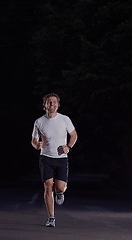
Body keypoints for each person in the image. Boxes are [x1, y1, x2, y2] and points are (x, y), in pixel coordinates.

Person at [31, 93, 77, 227]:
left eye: (54, 102)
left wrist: (68, 147)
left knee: (59, 187)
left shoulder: (65, 119)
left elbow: (74, 135)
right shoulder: (39, 122)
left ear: (58, 105)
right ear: (44, 105)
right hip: (45, 157)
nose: (52, 104)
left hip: (61, 158)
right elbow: (34, 140)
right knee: (47, 186)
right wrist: (36, 145)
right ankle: (51, 217)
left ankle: (60, 192)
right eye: (49, 102)